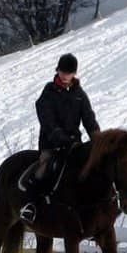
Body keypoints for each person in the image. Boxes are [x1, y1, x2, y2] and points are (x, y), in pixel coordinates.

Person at [19, 53, 100, 223]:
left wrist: (97, 139)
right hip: (51, 144)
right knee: (44, 168)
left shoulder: (79, 94)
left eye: (68, 73)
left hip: (74, 144)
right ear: (57, 71)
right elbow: (47, 120)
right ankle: (30, 205)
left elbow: (89, 119)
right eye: (62, 71)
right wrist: (60, 138)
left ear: (74, 74)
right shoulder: (48, 93)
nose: (64, 75)